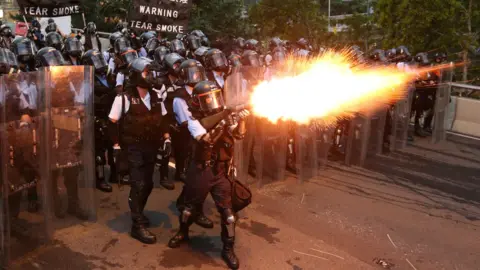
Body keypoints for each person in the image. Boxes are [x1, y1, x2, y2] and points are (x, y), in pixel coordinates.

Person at [168, 80, 250, 270]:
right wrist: (223, 121)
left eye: (215, 97)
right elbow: (205, 140)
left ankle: (228, 249)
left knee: (229, 215)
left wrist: (242, 120)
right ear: (198, 102)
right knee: (189, 208)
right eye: (208, 99)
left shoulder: (224, 115)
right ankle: (183, 233)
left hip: (221, 171)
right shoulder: (194, 119)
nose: (213, 101)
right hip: (201, 170)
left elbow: (239, 135)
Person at [108, 57, 171, 244]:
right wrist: (116, 146)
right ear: (136, 75)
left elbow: (164, 119)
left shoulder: (155, 96)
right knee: (138, 185)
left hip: (150, 146)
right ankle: (137, 225)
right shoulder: (123, 98)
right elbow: (112, 122)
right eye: (146, 72)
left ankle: (139, 212)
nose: (150, 76)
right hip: (133, 147)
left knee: (149, 184)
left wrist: (167, 138)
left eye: (151, 72)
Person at [35, 47, 90, 220]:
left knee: (71, 170)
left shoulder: (66, 82)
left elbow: (76, 103)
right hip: (50, 134)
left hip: (68, 131)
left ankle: (74, 205)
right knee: (52, 172)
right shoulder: (38, 85)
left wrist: (79, 111)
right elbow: (34, 111)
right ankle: (55, 205)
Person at [169, 59, 215, 229]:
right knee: (195, 178)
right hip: (189, 141)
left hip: (203, 138)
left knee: (199, 178)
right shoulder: (180, 97)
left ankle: (188, 204)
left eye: (198, 72)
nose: (196, 76)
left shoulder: (204, 91)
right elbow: (187, 123)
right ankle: (191, 212)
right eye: (192, 73)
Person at [82, 49, 114, 192]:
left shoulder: (107, 76)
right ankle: (99, 179)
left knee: (112, 147)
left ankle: (115, 174)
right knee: (99, 153)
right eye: (96, 61)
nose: (100, 64)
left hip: (109, 116)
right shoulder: (86, 80)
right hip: (95, 118)